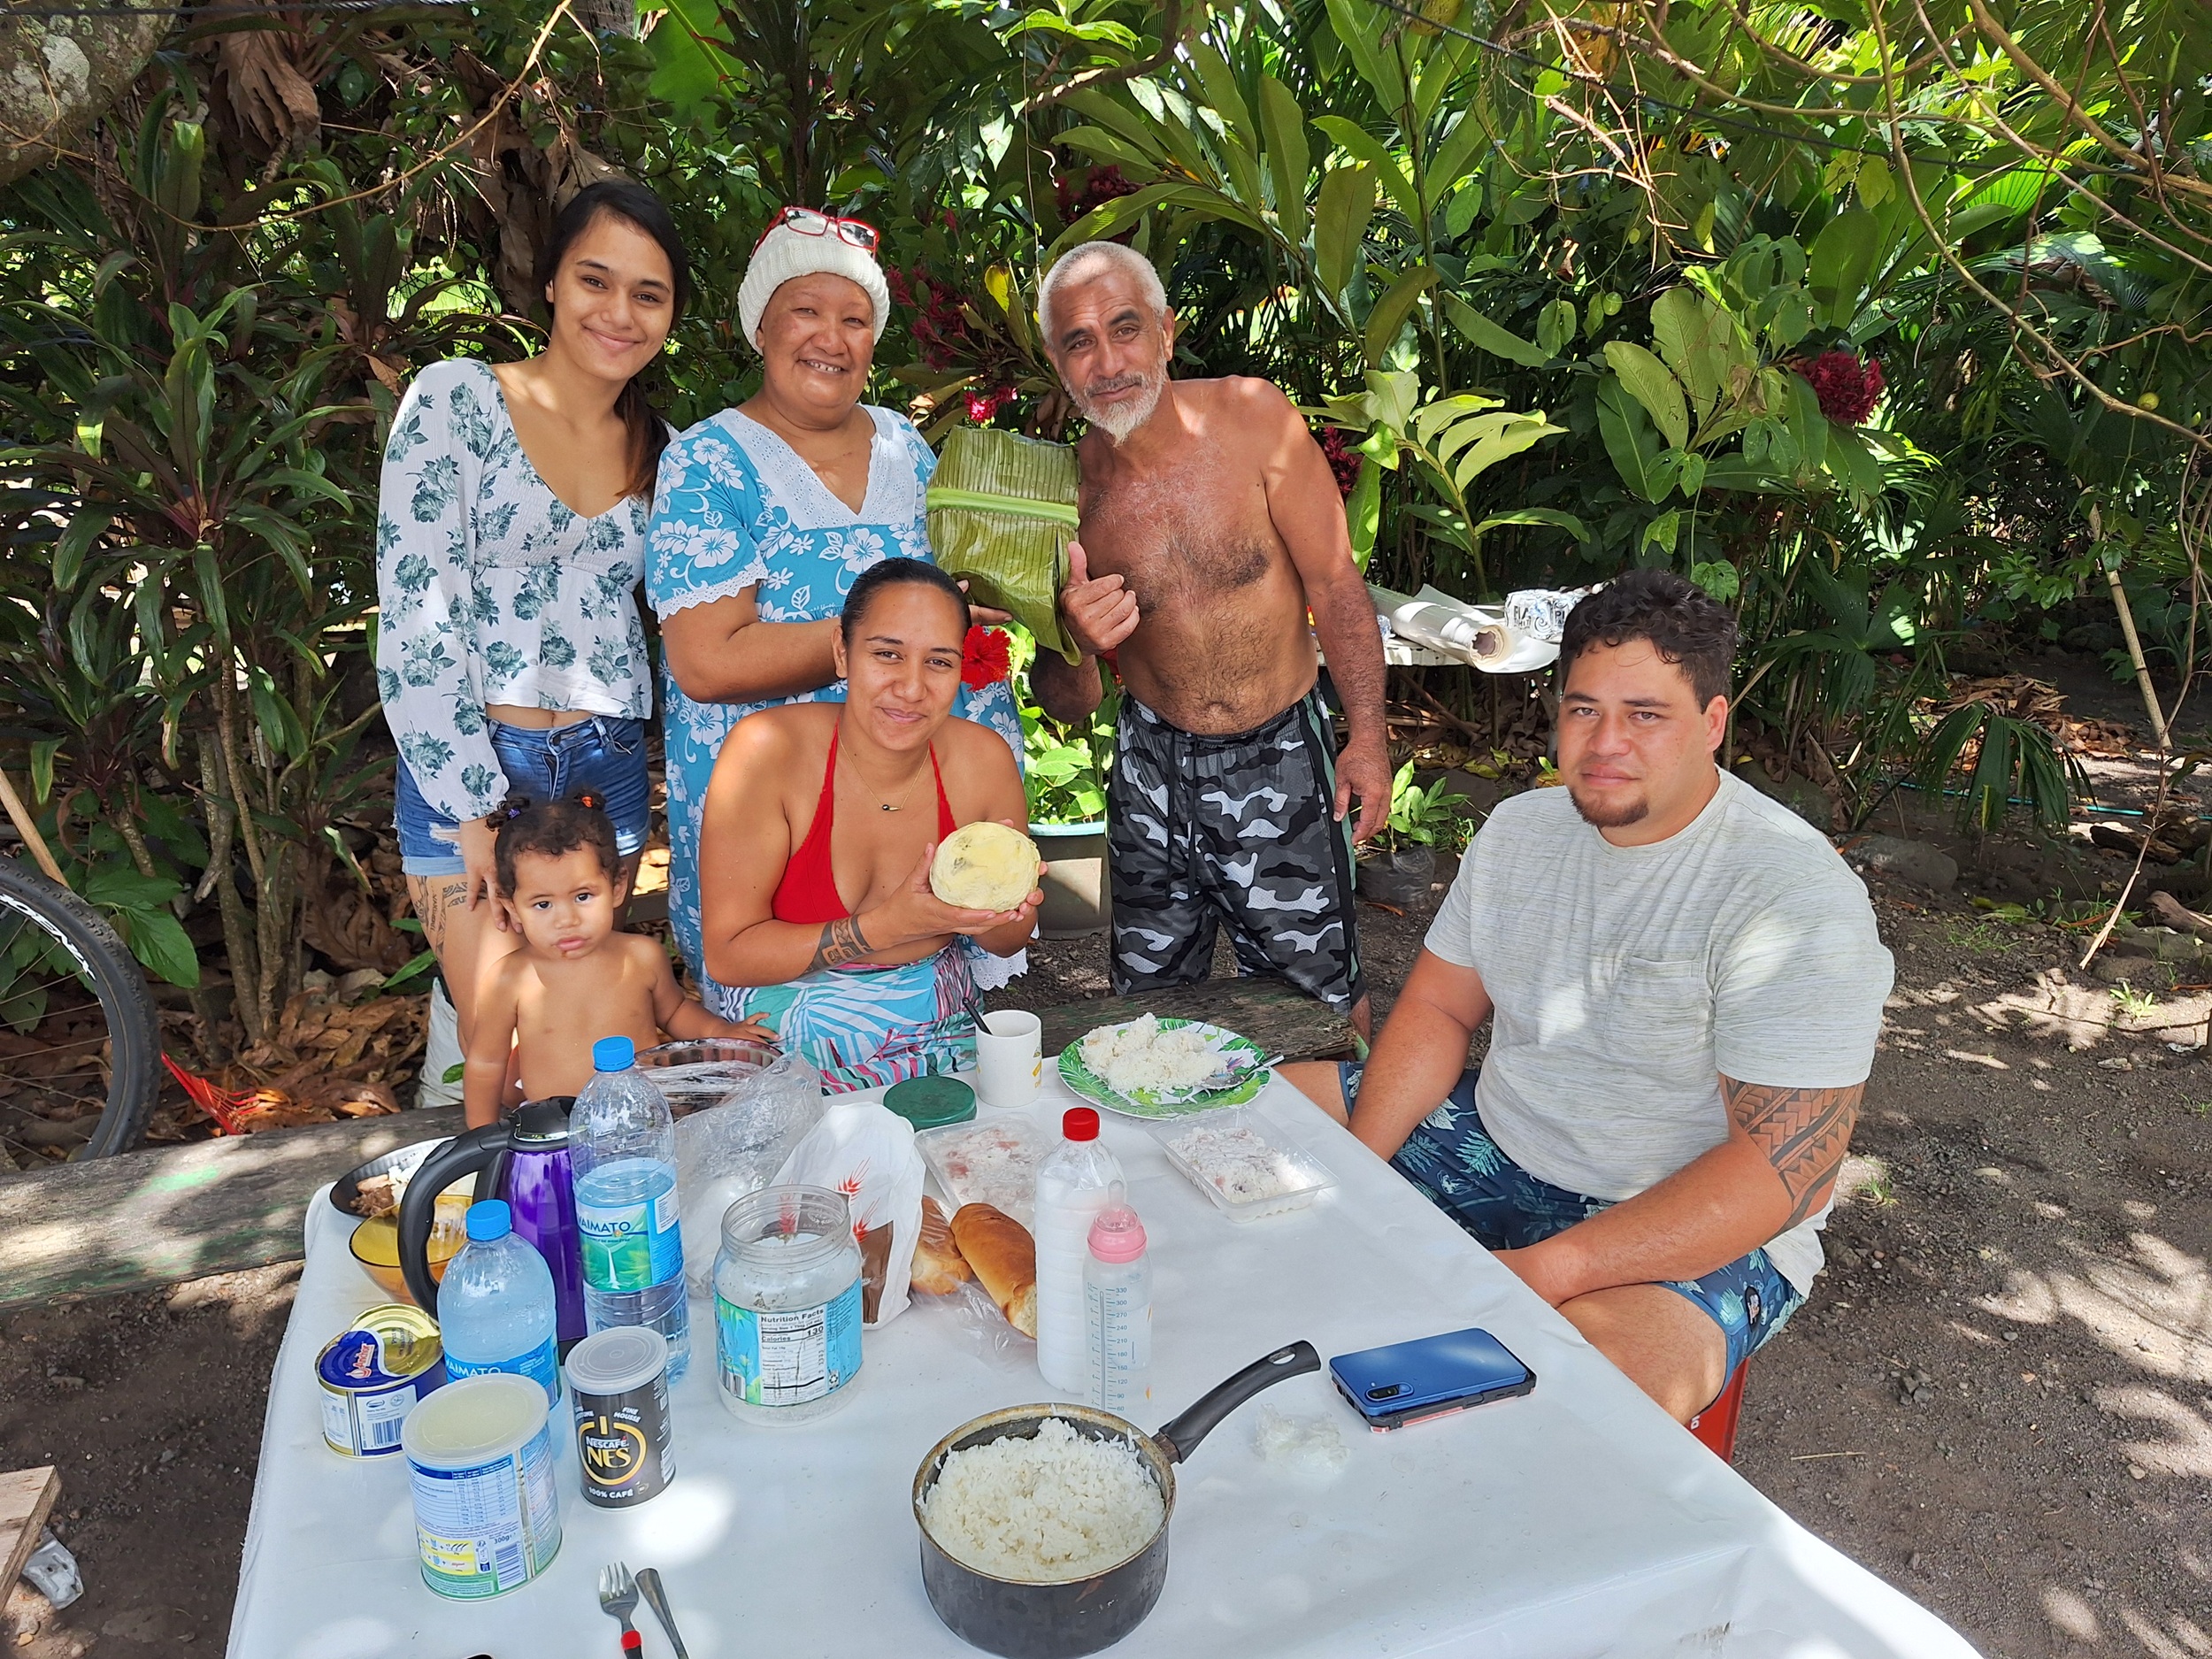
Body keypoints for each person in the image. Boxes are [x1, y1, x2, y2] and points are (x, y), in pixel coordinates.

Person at [1283, 570, 1893, 1423]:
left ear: (1713, 725)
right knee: (1239, 1110)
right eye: (1582, 709)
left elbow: (1781, 1175)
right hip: (1499, 1135)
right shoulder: (1520, 831)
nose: (1605, 740)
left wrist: (1551, 1269)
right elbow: (1438, 1010)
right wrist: (1358, 1171)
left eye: (1645, 714)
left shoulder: (1790, 894)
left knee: (1576, 1406)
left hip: (1683, 1215)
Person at [647, 207, 1025, 1020]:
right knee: (794, 1034)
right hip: (783, 803)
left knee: (932, 1006)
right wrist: (885, 646)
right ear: (759, 326)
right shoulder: (709, 462)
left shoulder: (904, 446)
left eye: (855, 318)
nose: (832, 337)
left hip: (920, 777)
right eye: (806, 312)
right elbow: (707, 661)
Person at [1025, 240, 1389, 1035]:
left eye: (1125, 329)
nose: (1108, 361)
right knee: (1148, 1016)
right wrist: (1075, 640)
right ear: (1058, 362)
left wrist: (1367, 737)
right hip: (1153, 769)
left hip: (1283, 755)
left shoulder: (1255, 417)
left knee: (1324, 1001)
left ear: (1166, 332)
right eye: (1079, 342)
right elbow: (1068, 705)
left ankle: (1355, 1150)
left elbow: (1334, 584)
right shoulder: (1062, 495)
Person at [375, 180, 689, 1079]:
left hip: (605, 769)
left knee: (575, 1041)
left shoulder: (660, 447)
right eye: (596, 280)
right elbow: (414, 602)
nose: (619, 312)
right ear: (550, 282)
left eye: (649, 294)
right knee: (502, 1035)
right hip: (477, 761)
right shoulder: (457, 401)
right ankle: (458, 1189)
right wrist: (471, 802)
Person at [695, 560, 1041, 1089]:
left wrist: (1007, 910)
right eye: (887, 655)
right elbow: (729, 956)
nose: (911, 687)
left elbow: (1007, 941)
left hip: (939, 1036)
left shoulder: (982, 760)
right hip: (789, 1049)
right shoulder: (767, 751)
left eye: (940, 663)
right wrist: (890, 926)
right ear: (842, 651)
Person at [460, 794, 766, 1127]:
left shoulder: (640, 956)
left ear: (618, 886)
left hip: (645, 1121)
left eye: (583, 896)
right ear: (511, 904)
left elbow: (675, 1012)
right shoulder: (510, 978)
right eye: (543, 904)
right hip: (558, 1130)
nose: (567, 919)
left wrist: (723, 1034)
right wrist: (481, 1139)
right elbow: (486, 1064)